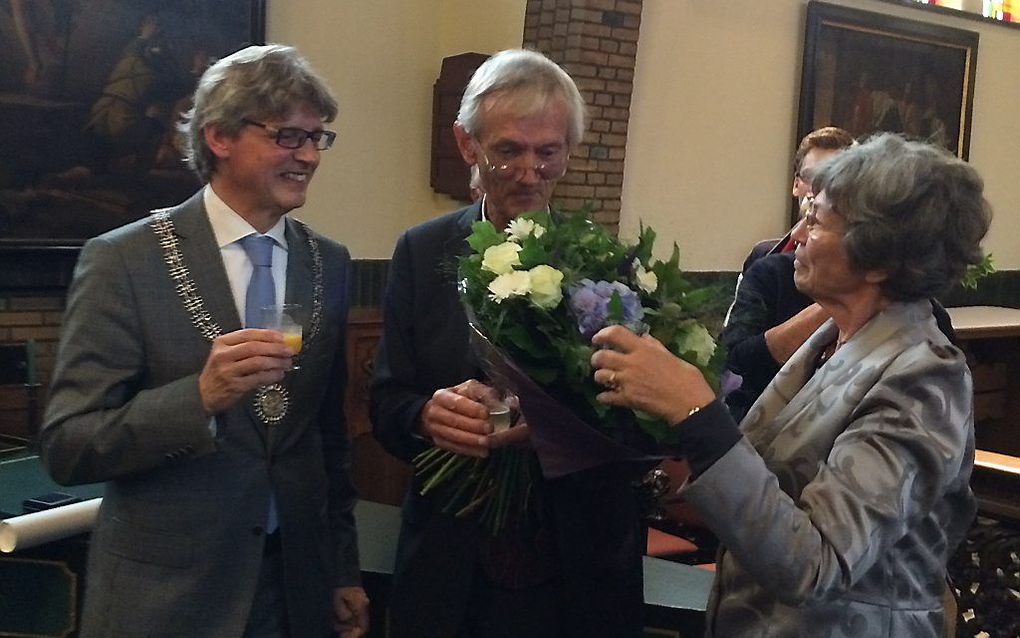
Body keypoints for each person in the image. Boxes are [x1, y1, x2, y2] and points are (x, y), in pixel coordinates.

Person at [591, 133, 990, 637]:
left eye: (816, 220)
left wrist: (697, 413)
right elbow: (768, 479)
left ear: (880, 259)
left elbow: (813, 563)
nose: (797, 235)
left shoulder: (924, 378)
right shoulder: (832, 337)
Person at [40, 44, 369, 638]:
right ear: (219, 137)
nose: (309, 157)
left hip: (293, 591)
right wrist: (199, 398)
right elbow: (69, 445)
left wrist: (342, 568)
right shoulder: (124, 260)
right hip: (166, 598)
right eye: (288, 136)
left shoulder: (328, 262)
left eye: (318, 138)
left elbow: (326, 440)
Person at [371, 49, 647, 637]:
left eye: (548, 152)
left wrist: (559, 426)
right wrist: (426, 415)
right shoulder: (422, 253)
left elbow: (637, 426)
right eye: (508, 151)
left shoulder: (608, 265)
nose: (529, 172)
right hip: (452, 567)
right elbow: (385, 403)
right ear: (467, 144)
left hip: (575, 566)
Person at [721, 127, 855, 422]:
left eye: (834, 178)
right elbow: (734, 358)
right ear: (797, 185)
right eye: (813, 178)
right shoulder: (767, 262)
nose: (820, 188)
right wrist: (836, 305)